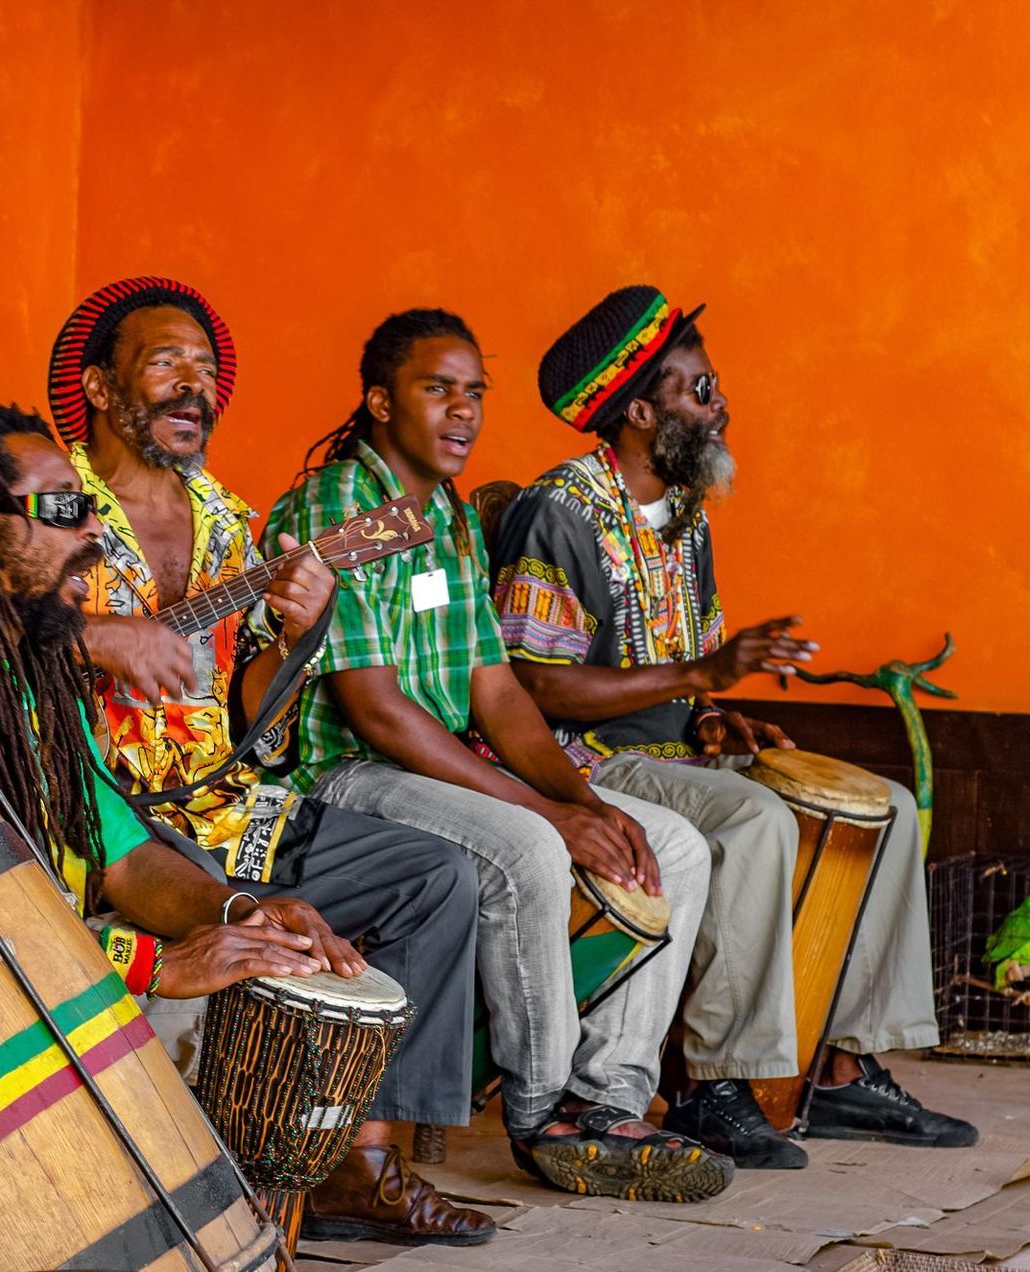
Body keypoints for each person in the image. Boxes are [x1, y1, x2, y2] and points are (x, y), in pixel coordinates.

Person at [0, 401, 499, 1245]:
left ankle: (257, 1220)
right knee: (213, 1032)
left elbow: (118, 855)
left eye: (85, 504)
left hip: (33, 971)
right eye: (58, 509)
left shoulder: (29, 660)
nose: (88, 529)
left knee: (277, 980)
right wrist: (152, 962)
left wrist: (237, 913)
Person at [46, 277, 489, 1245]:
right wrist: (104, 639)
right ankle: (197, 1174)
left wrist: (296, 634)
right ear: (103, 388)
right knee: (249, 926)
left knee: (437, 877)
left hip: (231, 810)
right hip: (108, 821)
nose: (191, 386)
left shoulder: (232, 522)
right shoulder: (48, 504)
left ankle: (359, 1163)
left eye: (204, 370)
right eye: (165, 363)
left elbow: (250, 720)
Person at [491, 285, 974, 1165]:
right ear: (639, 411)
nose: (722, 405)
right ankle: (720, 1084)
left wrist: (719, 714)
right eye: (699, 390)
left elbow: (694, 667)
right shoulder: (557, 512)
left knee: (890, 808)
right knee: (757, 820)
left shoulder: (683, 512)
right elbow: (533, 685)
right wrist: (697, 678)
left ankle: (839, 1067)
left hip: (670, 755)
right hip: (582, 762)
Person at [264, 308, 730, 1202]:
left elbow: (499, 691)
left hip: (438, 766)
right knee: (529, 848)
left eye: (474, 392)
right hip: (350, 778)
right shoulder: (336, 504)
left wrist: (587, 801)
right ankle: (540, 1110)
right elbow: (377, 711)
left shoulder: (447, 515)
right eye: (437, 390)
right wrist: (550, 813)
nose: (463, 411)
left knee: (668, 843)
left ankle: (608, 1099)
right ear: (377, 401)